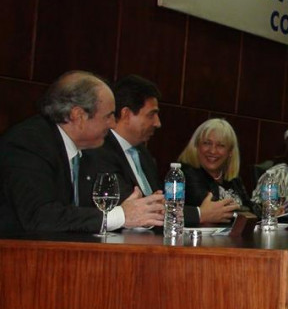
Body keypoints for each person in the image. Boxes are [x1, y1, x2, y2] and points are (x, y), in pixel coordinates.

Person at [0, 70, 165, 233]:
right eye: (108, 116)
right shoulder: (29, 144)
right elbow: (39, 216)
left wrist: (137, 215)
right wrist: (121, 215)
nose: (113, 125)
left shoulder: (87, 151)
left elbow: (85, 214)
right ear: (78, 116)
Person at [78, 75, 237, 226]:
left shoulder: (143, 154)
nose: (158, 123)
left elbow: (161, 201)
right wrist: (200, 214)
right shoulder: (101, 150)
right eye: (151, 115)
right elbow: (138, 209)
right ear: (126, 114)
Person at [177, 118, 253, 216]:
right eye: (207, 143)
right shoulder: (187, 174)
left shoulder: (233, 179)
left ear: (230, 152)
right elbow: (214, 210)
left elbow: (250, 208)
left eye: (221, 145)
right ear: (196, 146)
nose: (212, 151)